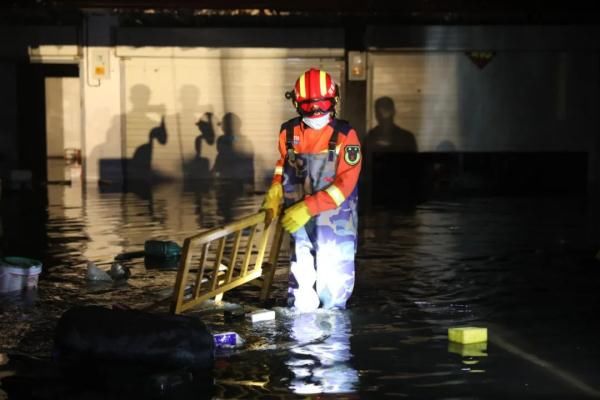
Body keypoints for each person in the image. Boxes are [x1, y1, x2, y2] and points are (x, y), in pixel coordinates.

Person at [262, 68, 362, 312]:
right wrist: (276, 187)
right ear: (296, 104)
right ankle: (301, 338)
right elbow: (283, 162)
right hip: (298, 221)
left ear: (334, 101)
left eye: (323, 105)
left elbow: (346, 183)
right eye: (309, 107)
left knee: (334, 290)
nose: (317, 112)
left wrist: (309, 207)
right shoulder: (288, 133)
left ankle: (331, 342)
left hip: (335, 225)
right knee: (300, 286)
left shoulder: (345, 136)